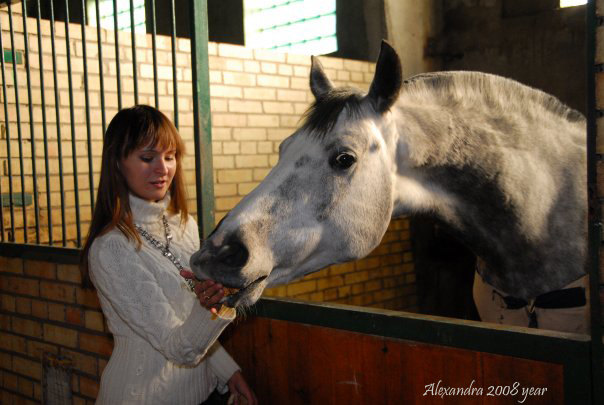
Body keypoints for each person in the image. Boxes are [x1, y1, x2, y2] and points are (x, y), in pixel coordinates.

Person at [80, 105, 257, 405]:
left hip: (202, 393)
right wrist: (211, 305)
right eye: (147, 158)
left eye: (170, 156)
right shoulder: (110, 248)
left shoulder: (184, 224)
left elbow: (188, 318)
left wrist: (229, 372)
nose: (162, 169)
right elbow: (179, 347)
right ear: (118, 164)